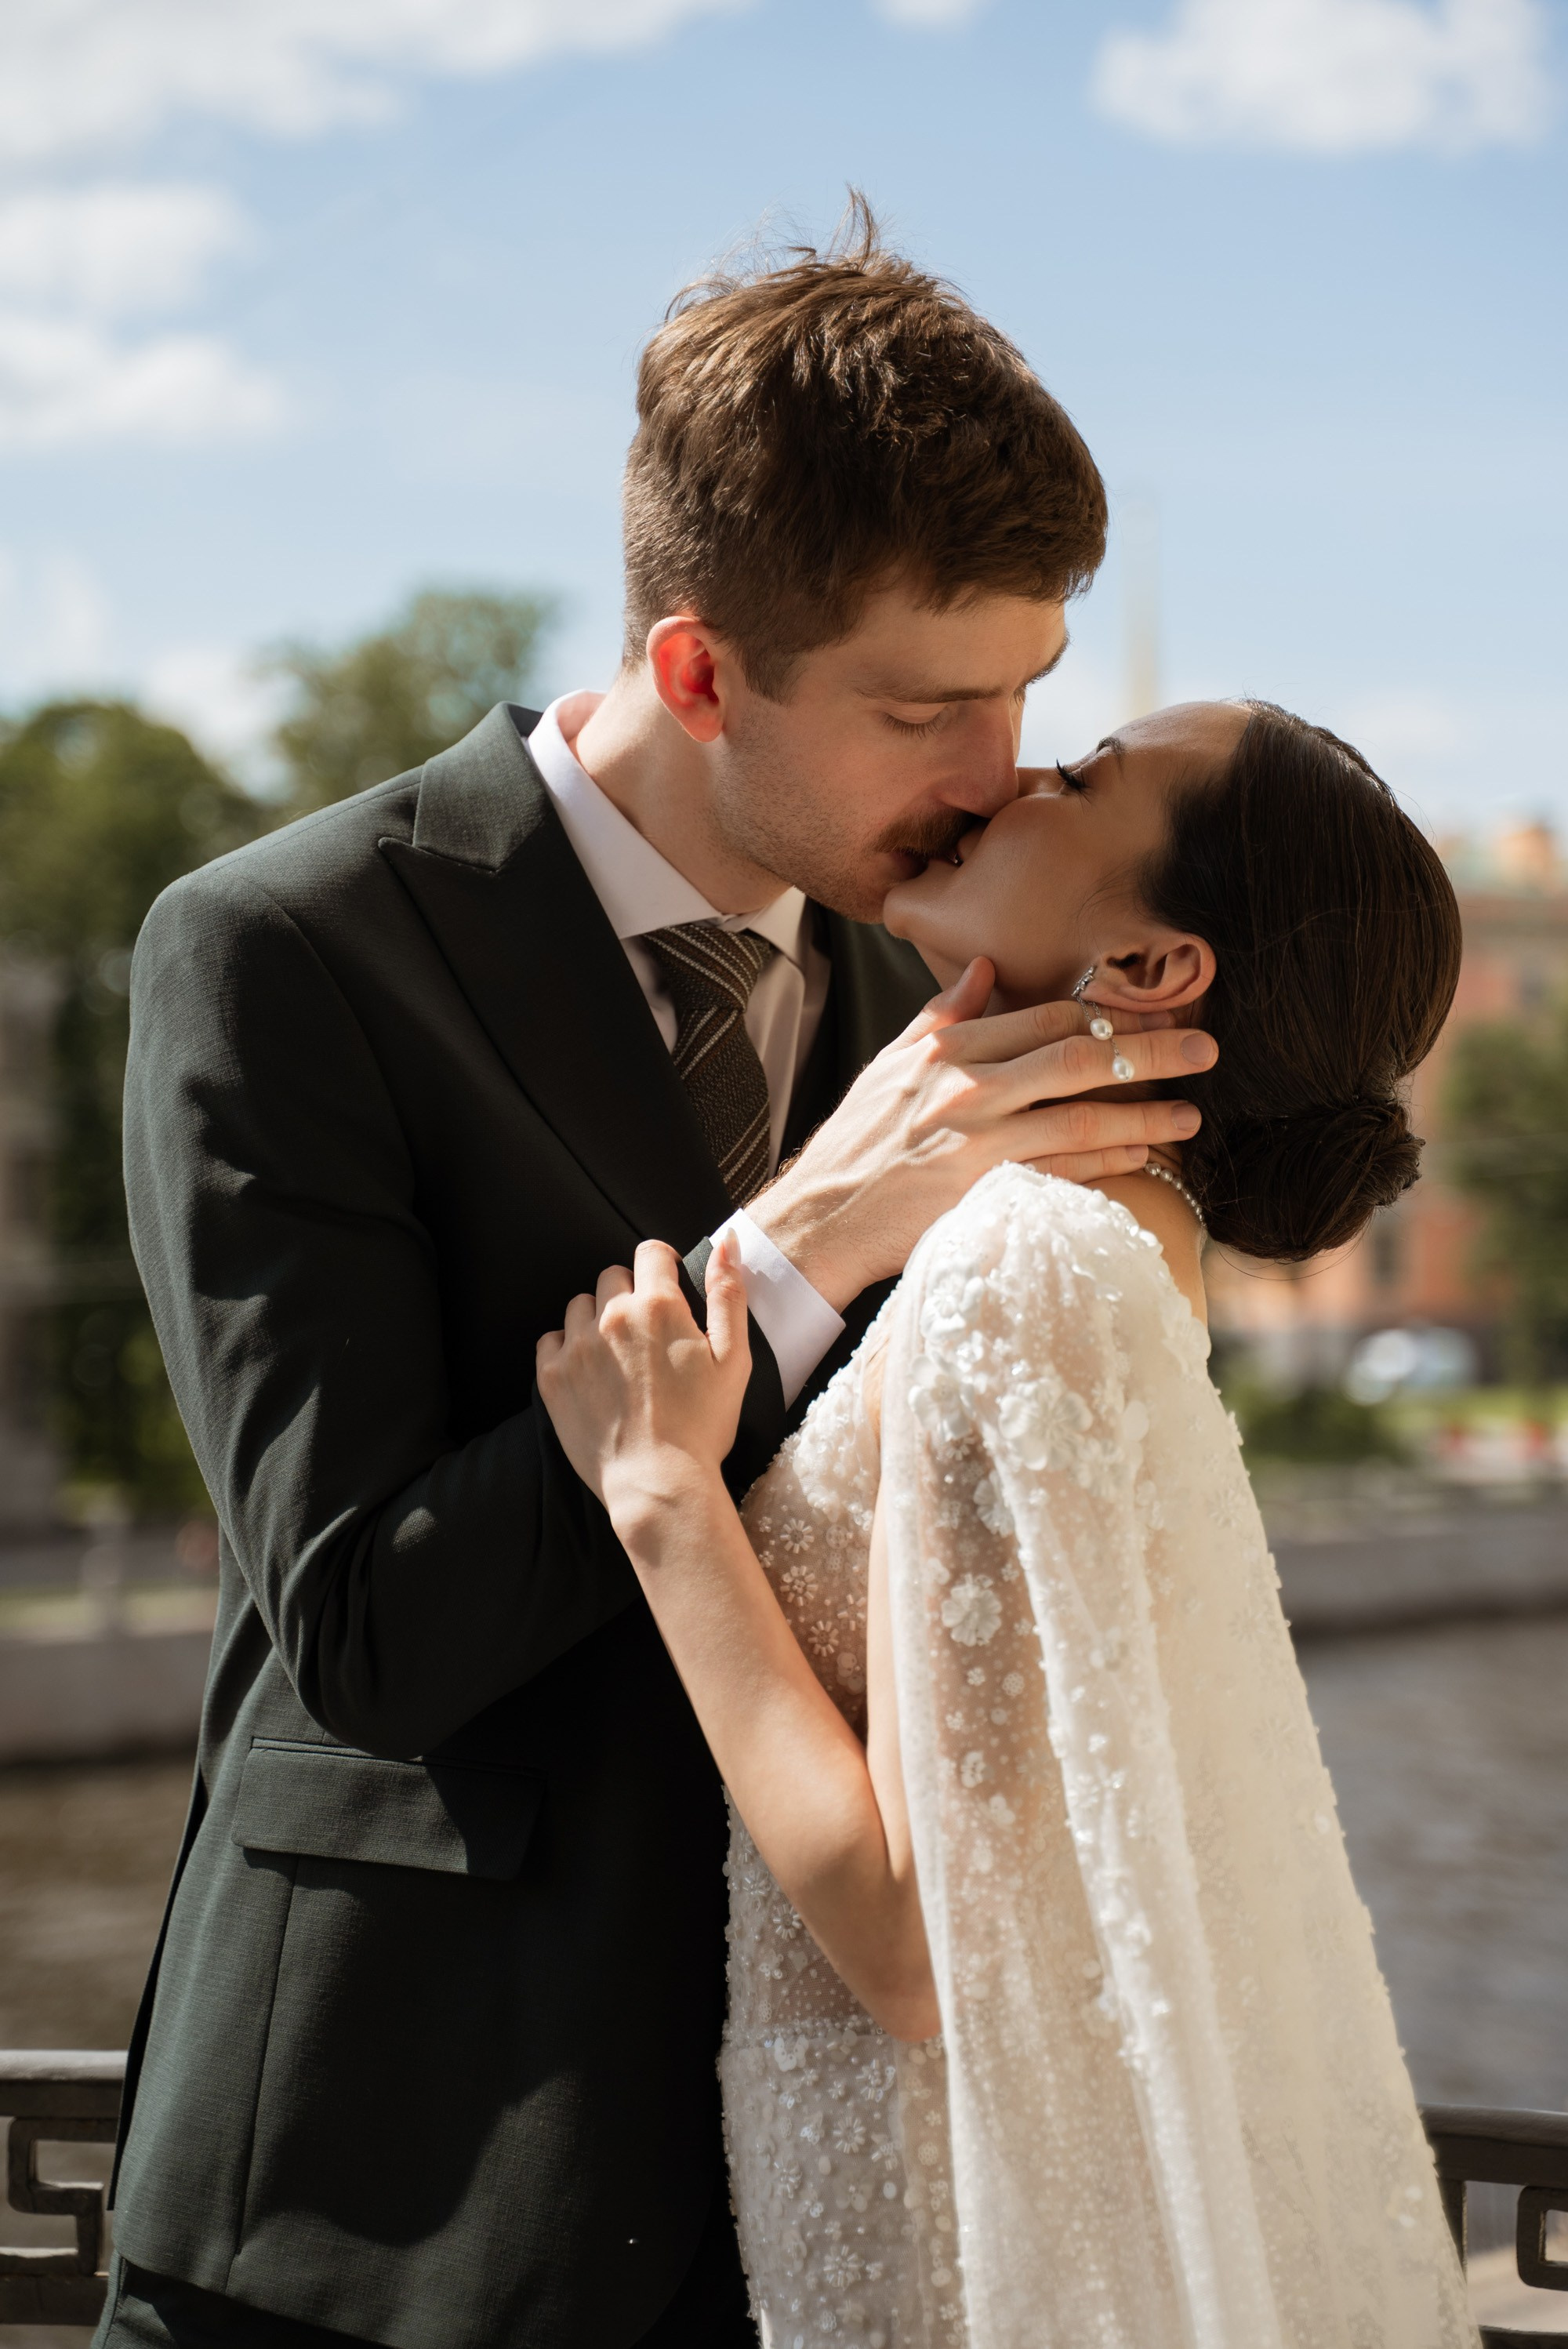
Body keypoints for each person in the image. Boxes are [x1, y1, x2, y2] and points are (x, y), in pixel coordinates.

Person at [94, 210, 1207, 2349]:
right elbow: (364, 1629)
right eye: (925, 707)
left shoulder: (932, 993)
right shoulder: (284, 951)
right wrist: (795, 1251)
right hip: (369, 2211)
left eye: (1025, 695)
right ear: (698, 669)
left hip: (800, 2219)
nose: (999, 774)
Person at [538, 700, 1482, 2347]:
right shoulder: (1108, 1248)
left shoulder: (1025, 1265)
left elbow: (912, 1944)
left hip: (929, 2218)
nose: (1024, 768)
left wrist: (665, 1494)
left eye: (1093, 776)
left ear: (1150, 966)